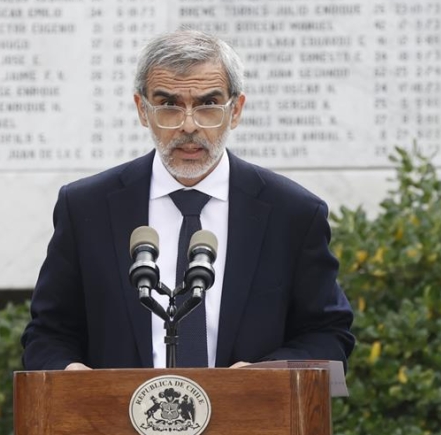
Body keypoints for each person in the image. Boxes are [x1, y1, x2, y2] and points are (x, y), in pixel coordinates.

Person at [21, 29, 354, 371]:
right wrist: (72, 377)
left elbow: (328, 333)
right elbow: (48, 334)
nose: (189, 126)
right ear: (142, 110)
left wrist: (262, 377)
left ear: (235, 110)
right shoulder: (86, 207)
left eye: (208, 105)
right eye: (169, 106)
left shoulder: (293, 213)